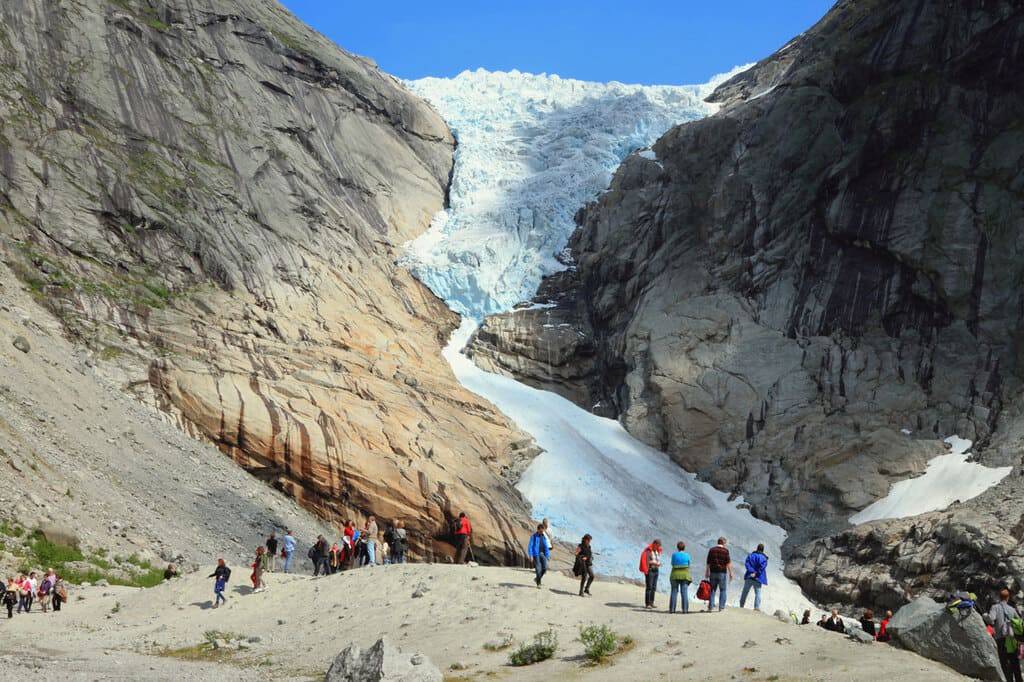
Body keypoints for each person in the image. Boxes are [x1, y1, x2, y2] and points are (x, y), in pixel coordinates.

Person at [988, 589, 1023, 682]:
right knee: (1015, 663)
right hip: (1012, 640)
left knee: (1005, 663)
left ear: (999, 597)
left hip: (1001, 639)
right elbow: (1019, 623)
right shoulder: (1012, 609)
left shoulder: (994, 607)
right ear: (1008, 598)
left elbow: (991, 619)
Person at [705, 537, 732, 612]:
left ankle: (710, 607)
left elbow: (708, 562)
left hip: (713, 572)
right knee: (722, 590)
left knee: (712, 589)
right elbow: (728, 563)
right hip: (722, 572)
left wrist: (707, 572)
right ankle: (721, 607)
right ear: (723, 543)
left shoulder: (712, 550)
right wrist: (731, 573)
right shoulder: (725, 551)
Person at [739, 543, 768, 610]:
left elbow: (747, 564)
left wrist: (752, 572)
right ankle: (756, 607)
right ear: (763, 550)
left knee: (745, 591)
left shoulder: (750, 555)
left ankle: (741, 605)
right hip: (758, 578)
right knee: (757, 593)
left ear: (757, 548)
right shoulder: (764, 558)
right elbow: (762, 567)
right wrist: (756, 573)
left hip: (749, 576)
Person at [669, 541, 691, 614]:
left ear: (677, 547)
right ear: (684, 548)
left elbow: (672, 563)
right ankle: (685, 610)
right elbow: (689, 564)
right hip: (684, 575)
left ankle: (672, 609)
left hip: (675, 574)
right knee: (684, 592)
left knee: (674, 592)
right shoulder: (687, 555)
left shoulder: (674, 555)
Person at [640, 539, 662, 609]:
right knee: (649, 587)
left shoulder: (656, 551)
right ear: (654, 544)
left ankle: (652, 602)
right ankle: (647, 603)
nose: (658, 547)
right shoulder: (648, 551)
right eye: (657, 546)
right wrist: (655, 563)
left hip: (656, 570)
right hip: (650, 570)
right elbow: (647, 561)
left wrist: (658, 564)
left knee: (654, 587)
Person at [527, 524, 550, 588]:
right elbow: (530, 547)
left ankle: (537, 578)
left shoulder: (543, 537)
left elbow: (546, 547)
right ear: (538, 530)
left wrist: (548, 555)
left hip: (542, 554)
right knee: (538, 569)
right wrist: (531, 555)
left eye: (542, 531)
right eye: (540, 531)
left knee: (544, 568)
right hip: (536, 554)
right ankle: (538, 583)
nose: (541, 532)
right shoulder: (533, 536)